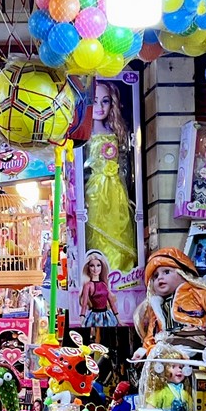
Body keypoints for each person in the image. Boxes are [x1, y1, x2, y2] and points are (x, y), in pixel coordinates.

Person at [134, 247, 206, 350]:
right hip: (167, 341)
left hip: (196, 335)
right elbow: (151, 332)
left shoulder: (195, 292)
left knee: (182, 347)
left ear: (183, 274)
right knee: (160, 351)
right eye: (155, 276)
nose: (160, 278)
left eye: (166, 272)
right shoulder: (157, 306)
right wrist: (145, 349)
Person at [84, 83, 138, 272]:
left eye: (105, 101)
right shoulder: (87, 135)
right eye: (95, 101)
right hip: (96, 189)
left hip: (116, 187)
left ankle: (120, 269)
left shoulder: (116, 132)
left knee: (118, 226)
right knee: (98, 229)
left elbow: (124, 163)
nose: (100, 107)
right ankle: (101, 268)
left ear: (112, 104)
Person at [79, 251, 118, 328]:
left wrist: (119, 321)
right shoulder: (88, 285)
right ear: (88, 267)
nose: (95, 269)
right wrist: (82, 318)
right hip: (94, 317)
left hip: (107, 316)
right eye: (92, 266)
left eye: (98, 265)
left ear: (102, 267)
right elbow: (84, 305)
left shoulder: (104, 284)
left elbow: (112, 304)